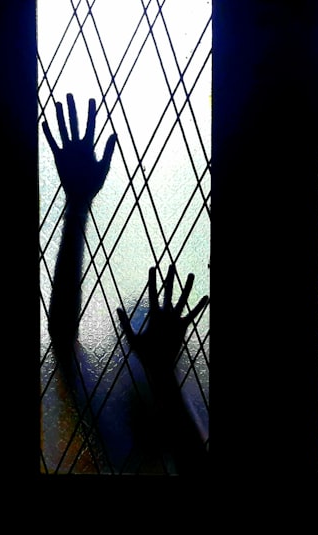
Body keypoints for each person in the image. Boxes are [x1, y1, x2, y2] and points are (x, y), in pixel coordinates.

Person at [44, 93, 209, 474]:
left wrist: (78, 205)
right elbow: (63, 337)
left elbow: (62, 335)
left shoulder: (110, 425)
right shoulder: (124, 419)